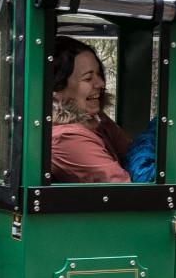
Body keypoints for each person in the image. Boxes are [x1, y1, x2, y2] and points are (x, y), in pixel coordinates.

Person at [48, 36, 131, 183]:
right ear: (57, 89)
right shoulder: (67, 138)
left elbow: (130, 151)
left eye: (99, 75)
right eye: (88, 78)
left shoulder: (94, 118)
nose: (101, 84)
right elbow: (123, 187)